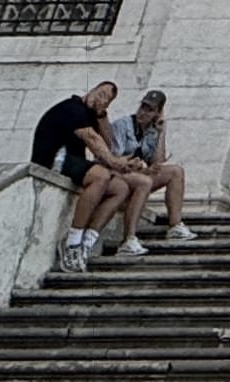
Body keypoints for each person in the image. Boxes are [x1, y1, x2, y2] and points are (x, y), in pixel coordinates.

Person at [29, 79, 148, 272]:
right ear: (91, 90)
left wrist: (101, 116)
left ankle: (87, 242)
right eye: (100, 94)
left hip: (71, 161)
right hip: (53, 159)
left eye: (107, 100)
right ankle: (72, 244)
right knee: (100, 176)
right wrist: (117, 163)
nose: (101, 100)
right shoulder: (73, 108)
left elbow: (108, 144)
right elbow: (93, 141)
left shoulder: (91, 115)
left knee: (121, 188)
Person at [118, 89, 200, 243]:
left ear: (158, 113)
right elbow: (113, 160)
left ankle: (175, 225)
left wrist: (162, 132)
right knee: (145, 181)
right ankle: (128, 238)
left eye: (150, 110)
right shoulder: (123, 125)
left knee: (176, 171)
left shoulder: (152, 131)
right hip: (119, 177)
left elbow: (158, 162)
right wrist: (141, 169)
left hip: (138, 176)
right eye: (143, 107)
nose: (143, 113)